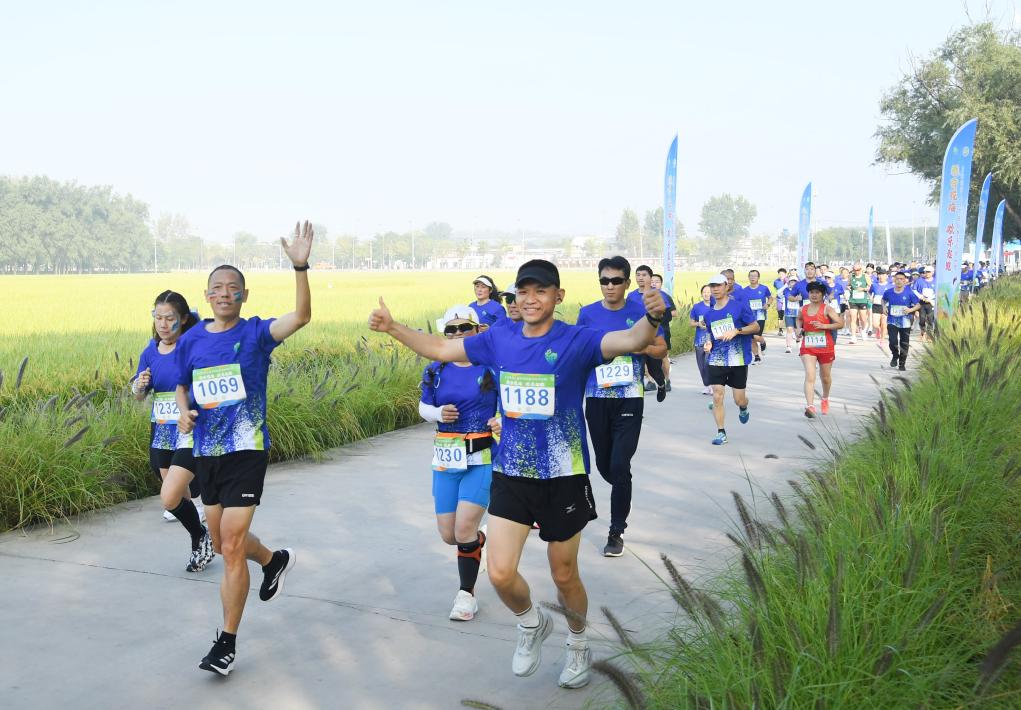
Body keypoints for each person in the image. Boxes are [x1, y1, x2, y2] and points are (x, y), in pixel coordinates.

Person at [368, 258, 666, 690]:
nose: (530, 299)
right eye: (523, 291)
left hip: (563, 475)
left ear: (558, 296)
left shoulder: (577, 340)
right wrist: (393, 327)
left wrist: (653, 316)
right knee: (500, 573)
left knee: (564, 575)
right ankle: (531, 623)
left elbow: (633, 338)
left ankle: (578, 642)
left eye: (540, 291)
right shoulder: (499, 337)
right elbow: (441, 349)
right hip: (512, 472)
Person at [175, 221, 314, 677]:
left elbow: (301, 317)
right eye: (217, 288)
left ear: (244, 295)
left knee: (232, 546)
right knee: (221, 543)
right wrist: (184, 412)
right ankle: (274, 560)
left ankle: (226, 643)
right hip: (207, 453)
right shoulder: (192, 339)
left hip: (246, 452)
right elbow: (182, 386)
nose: (224, 293)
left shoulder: (256, 333)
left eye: (232, 288)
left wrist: (300, 267)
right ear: (207, 295)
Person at [578, 257, 668, 557]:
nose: (610, 286)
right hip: (597, 398)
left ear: (628, 283)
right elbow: (577, 353)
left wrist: (638, 346)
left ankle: (616, 531)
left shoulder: (640, 311)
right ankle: (621, 486)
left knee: (619, 465)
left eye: (616, 280)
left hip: (629, 398)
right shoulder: (587, 314)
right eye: (604, 280)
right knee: (605, 466)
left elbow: (661, 349)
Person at [420, 306, 501, 621]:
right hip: (445, 459)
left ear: (477, 330)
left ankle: (466, 596)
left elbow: (508, 404)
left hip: (481, 458)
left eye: (463, 328)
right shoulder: (435, 370)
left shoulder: (491, 367)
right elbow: (423, 407)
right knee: (449, 534)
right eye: (450, 330)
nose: (457, 334)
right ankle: (480, 542)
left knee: (464, 528)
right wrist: (438, 413)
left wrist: (500, 420)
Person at [132, 291, 213, 572]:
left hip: (190, 429)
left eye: (169, 318)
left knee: (169, 496)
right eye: (158, 317)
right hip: (162, 431)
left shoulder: (193, 348)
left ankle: (201, 537)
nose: (163, 324)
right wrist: (139, 385)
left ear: (184, 319)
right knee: (176, 496)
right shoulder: (150, 351)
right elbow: (138, 395)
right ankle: (202, 534)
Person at [702, 274, 757, 446]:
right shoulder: (709, 314)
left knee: (739, 399)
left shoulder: (739, 307)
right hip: (717, 359)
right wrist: (708, 343)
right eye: (712, 286)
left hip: (737, 359)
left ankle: (743, 407)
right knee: (717, 396)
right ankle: (721, 432)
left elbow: (755, 326)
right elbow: (710, 334)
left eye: (718, 285)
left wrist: (737, 331)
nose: (715, 289)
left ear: (726, 286)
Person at [796, 281, 843, 418]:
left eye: (817, 292)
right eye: (811, 292)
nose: (814, 295)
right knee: (810, 375)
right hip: (808, 347)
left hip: (825, 347)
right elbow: (799, 320)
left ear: (822, 295)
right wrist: (798, 329)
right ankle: (810, 406)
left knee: (825, 377)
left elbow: (840, 324)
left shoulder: (827, 309)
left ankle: (825, 398)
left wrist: (824, 326)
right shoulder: (803, 309)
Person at [883, 270, 921, 371]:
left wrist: (910, 310)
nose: (899, 281)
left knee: (904, 343)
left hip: (905, 321)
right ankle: (895, 355)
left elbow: (918, 304)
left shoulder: (909, 292)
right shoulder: (889, 292)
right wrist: (884, 307)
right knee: (892, 341)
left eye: (901, 279)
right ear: (894, 280)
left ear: (905, 281)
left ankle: (902, 363)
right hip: (892, 320)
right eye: (897, 279)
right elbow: (883, 299)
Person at [649, 273, 675, 389]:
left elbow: (671, 314)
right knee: (645, 356)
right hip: (646, 333)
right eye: (652, 281)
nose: (654, 284)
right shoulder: (643, 296)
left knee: (663, 357)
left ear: (661, 284)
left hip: (662, 331)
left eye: (657, 282)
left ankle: (667, 380)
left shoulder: (665, 297)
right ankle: (650, 382)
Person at [743, 270, 771, 365]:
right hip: (749, 317)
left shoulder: (764, 288)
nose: (753, 278)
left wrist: (768, 304)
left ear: (758, 277)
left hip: (760, 316)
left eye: (755, 276)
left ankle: (762, 342)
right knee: (751, 338)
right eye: (751, 276)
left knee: (756, 336)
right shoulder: (745, 290)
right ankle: (756, 357)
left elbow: (770, 298)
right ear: (748, 277)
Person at [689, 285, 713, 395]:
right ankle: (707, 385)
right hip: (699, 338)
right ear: (701, 294)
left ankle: (713, 385)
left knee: (708, 362)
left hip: (711, 338)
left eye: (709, 292)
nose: (707, 294)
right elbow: (691, 323)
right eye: (704, 292)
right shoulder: (697, 307)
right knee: (701, 365)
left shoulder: (716, 306)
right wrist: (698, 323)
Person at [847, 262, 870, 344]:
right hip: (853, 300)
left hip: (862, 300)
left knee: (863, 319)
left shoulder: (865, 276)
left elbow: (869, 287)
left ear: (861, 269)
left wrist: (863, 289)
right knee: (853, 318)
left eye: (858, 269)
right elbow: (848, 285)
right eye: (854, 270)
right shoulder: (851, 276)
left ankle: (863, 330)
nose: (856, 271)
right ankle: (853, 337)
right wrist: (849, 288)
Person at [912, 266, 936, 342]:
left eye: (929, 272)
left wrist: (930, 298)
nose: (927, 273)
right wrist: (921, 296)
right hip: (922, 303)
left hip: (931, 303)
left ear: (932, 272)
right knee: (922, 319)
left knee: (930, 319)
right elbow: (914, 289)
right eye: (925, 272)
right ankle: (923, 333)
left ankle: (929, 335)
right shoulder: (919, 281)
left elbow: (938, 291)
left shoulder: (936, 281)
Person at [869, 268, 892, 343]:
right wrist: (870, 298)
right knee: (875, 324)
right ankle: (878, 329)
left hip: (886, 306)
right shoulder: (874, 285)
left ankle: (882, 339)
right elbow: (869, 292)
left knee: (884, 323)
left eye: (883, 275)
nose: (881, 276)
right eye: (879, 275)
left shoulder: (890, 286)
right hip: (876, 305)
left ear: (886, 276)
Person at [781, 268, 801, 353]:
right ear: (789, 283)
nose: (793, 283)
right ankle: (788, 347)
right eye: (792, 281)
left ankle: (799, 344)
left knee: (797, 331)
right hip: (788, 313)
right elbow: (789, 297)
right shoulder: (786, 290)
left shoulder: (800, 291)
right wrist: (796, 298)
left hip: (798, 314)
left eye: (795, 282)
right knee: (789, 329)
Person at [773, 268, 788, 336]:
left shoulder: (789, 280)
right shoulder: (776, 281)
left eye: (782, 274)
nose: (781, 275)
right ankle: (780, 330)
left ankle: (790, 330)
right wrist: (786, 285)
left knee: (789, 315)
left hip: (788, 300)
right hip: (780, 300)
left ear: (785, 274)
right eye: (780, 274)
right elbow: (779, 290)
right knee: (780, 315)